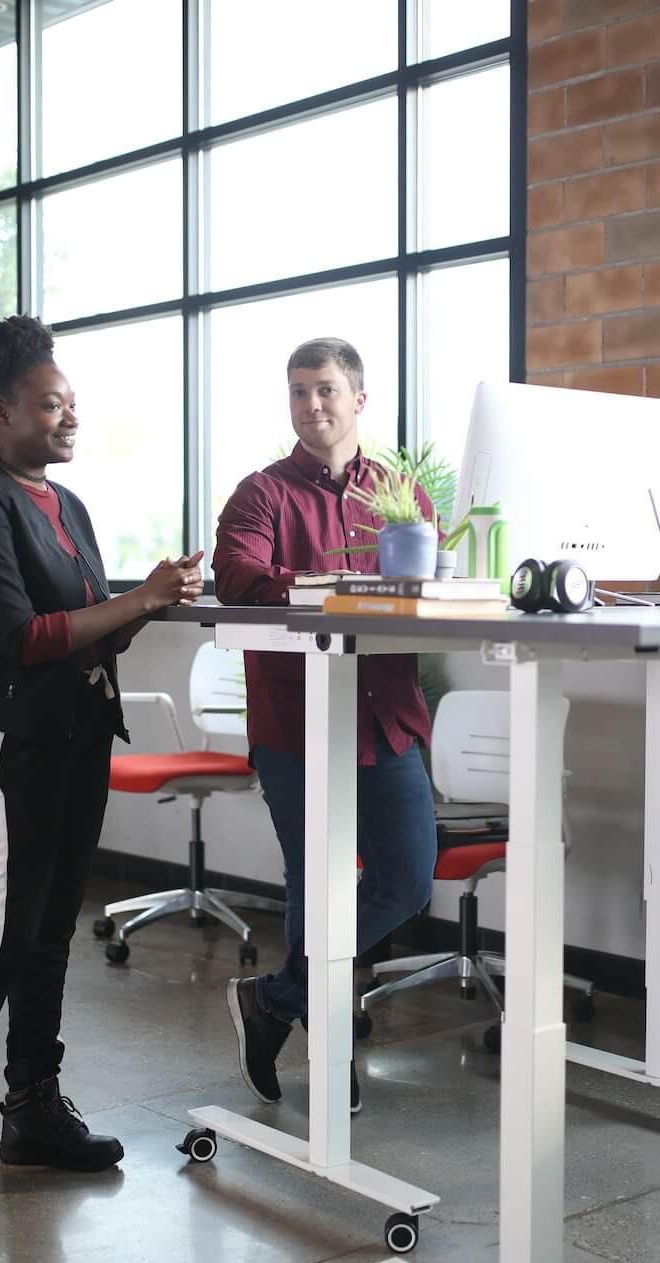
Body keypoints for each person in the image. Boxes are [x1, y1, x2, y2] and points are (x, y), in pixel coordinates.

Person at [0, 314, 204, 1218]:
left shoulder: (68, 506)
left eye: (72, 404)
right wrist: (132, 600)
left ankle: (30, 1107)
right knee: (1, 933)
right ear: (0, 411)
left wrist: (150, 598)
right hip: (7, 743)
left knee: (52, 931)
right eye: (49, 404)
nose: (69, 418)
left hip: (77, 737)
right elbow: (26, 638)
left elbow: (88, 623)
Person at [213, 336, 438, 1116]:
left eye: (328, 389)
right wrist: (342, 586)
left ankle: (276, 1000)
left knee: (408, 879)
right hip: (299, 724)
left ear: (359, 400)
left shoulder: (401, 496)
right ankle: (328, 1043)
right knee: (316, 888)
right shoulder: (261, 494)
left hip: (388, 719)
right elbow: (240, 576)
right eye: (300, 391)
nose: (313, 404)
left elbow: (423, 579)